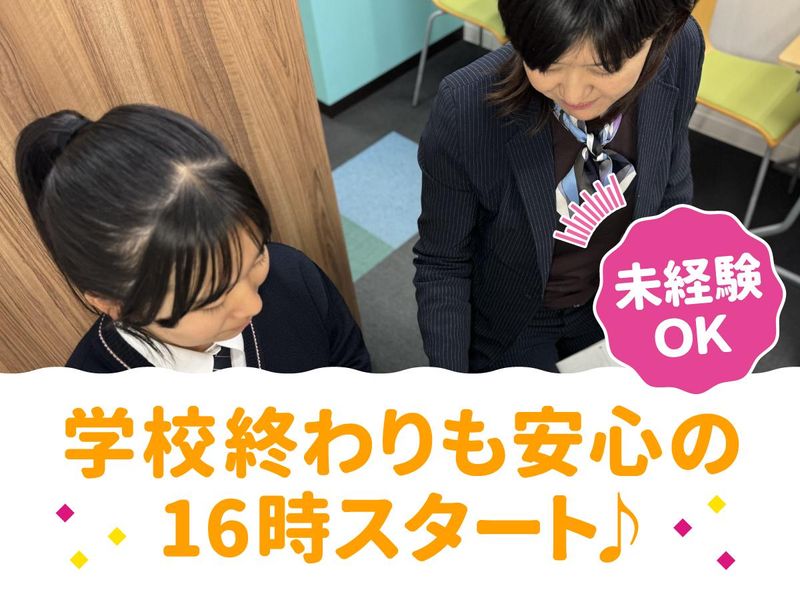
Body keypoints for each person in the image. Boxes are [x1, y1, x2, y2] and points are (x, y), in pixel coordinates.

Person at [414, 0, 703, 372]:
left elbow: (672, 191)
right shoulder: (467, 106)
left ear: (661, 34)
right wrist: (450, 386)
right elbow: (444, 261)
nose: (574, 93)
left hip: (624, 291)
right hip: (515, 315)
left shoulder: (681, 47)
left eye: (605, 67)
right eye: (548, 64)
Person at [15, 104, 371, 373]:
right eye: (212, 300)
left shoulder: (294, 275)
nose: (253, 304)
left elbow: (352, 368)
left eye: (256, 257)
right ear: (114, 303)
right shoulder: (94, 403)